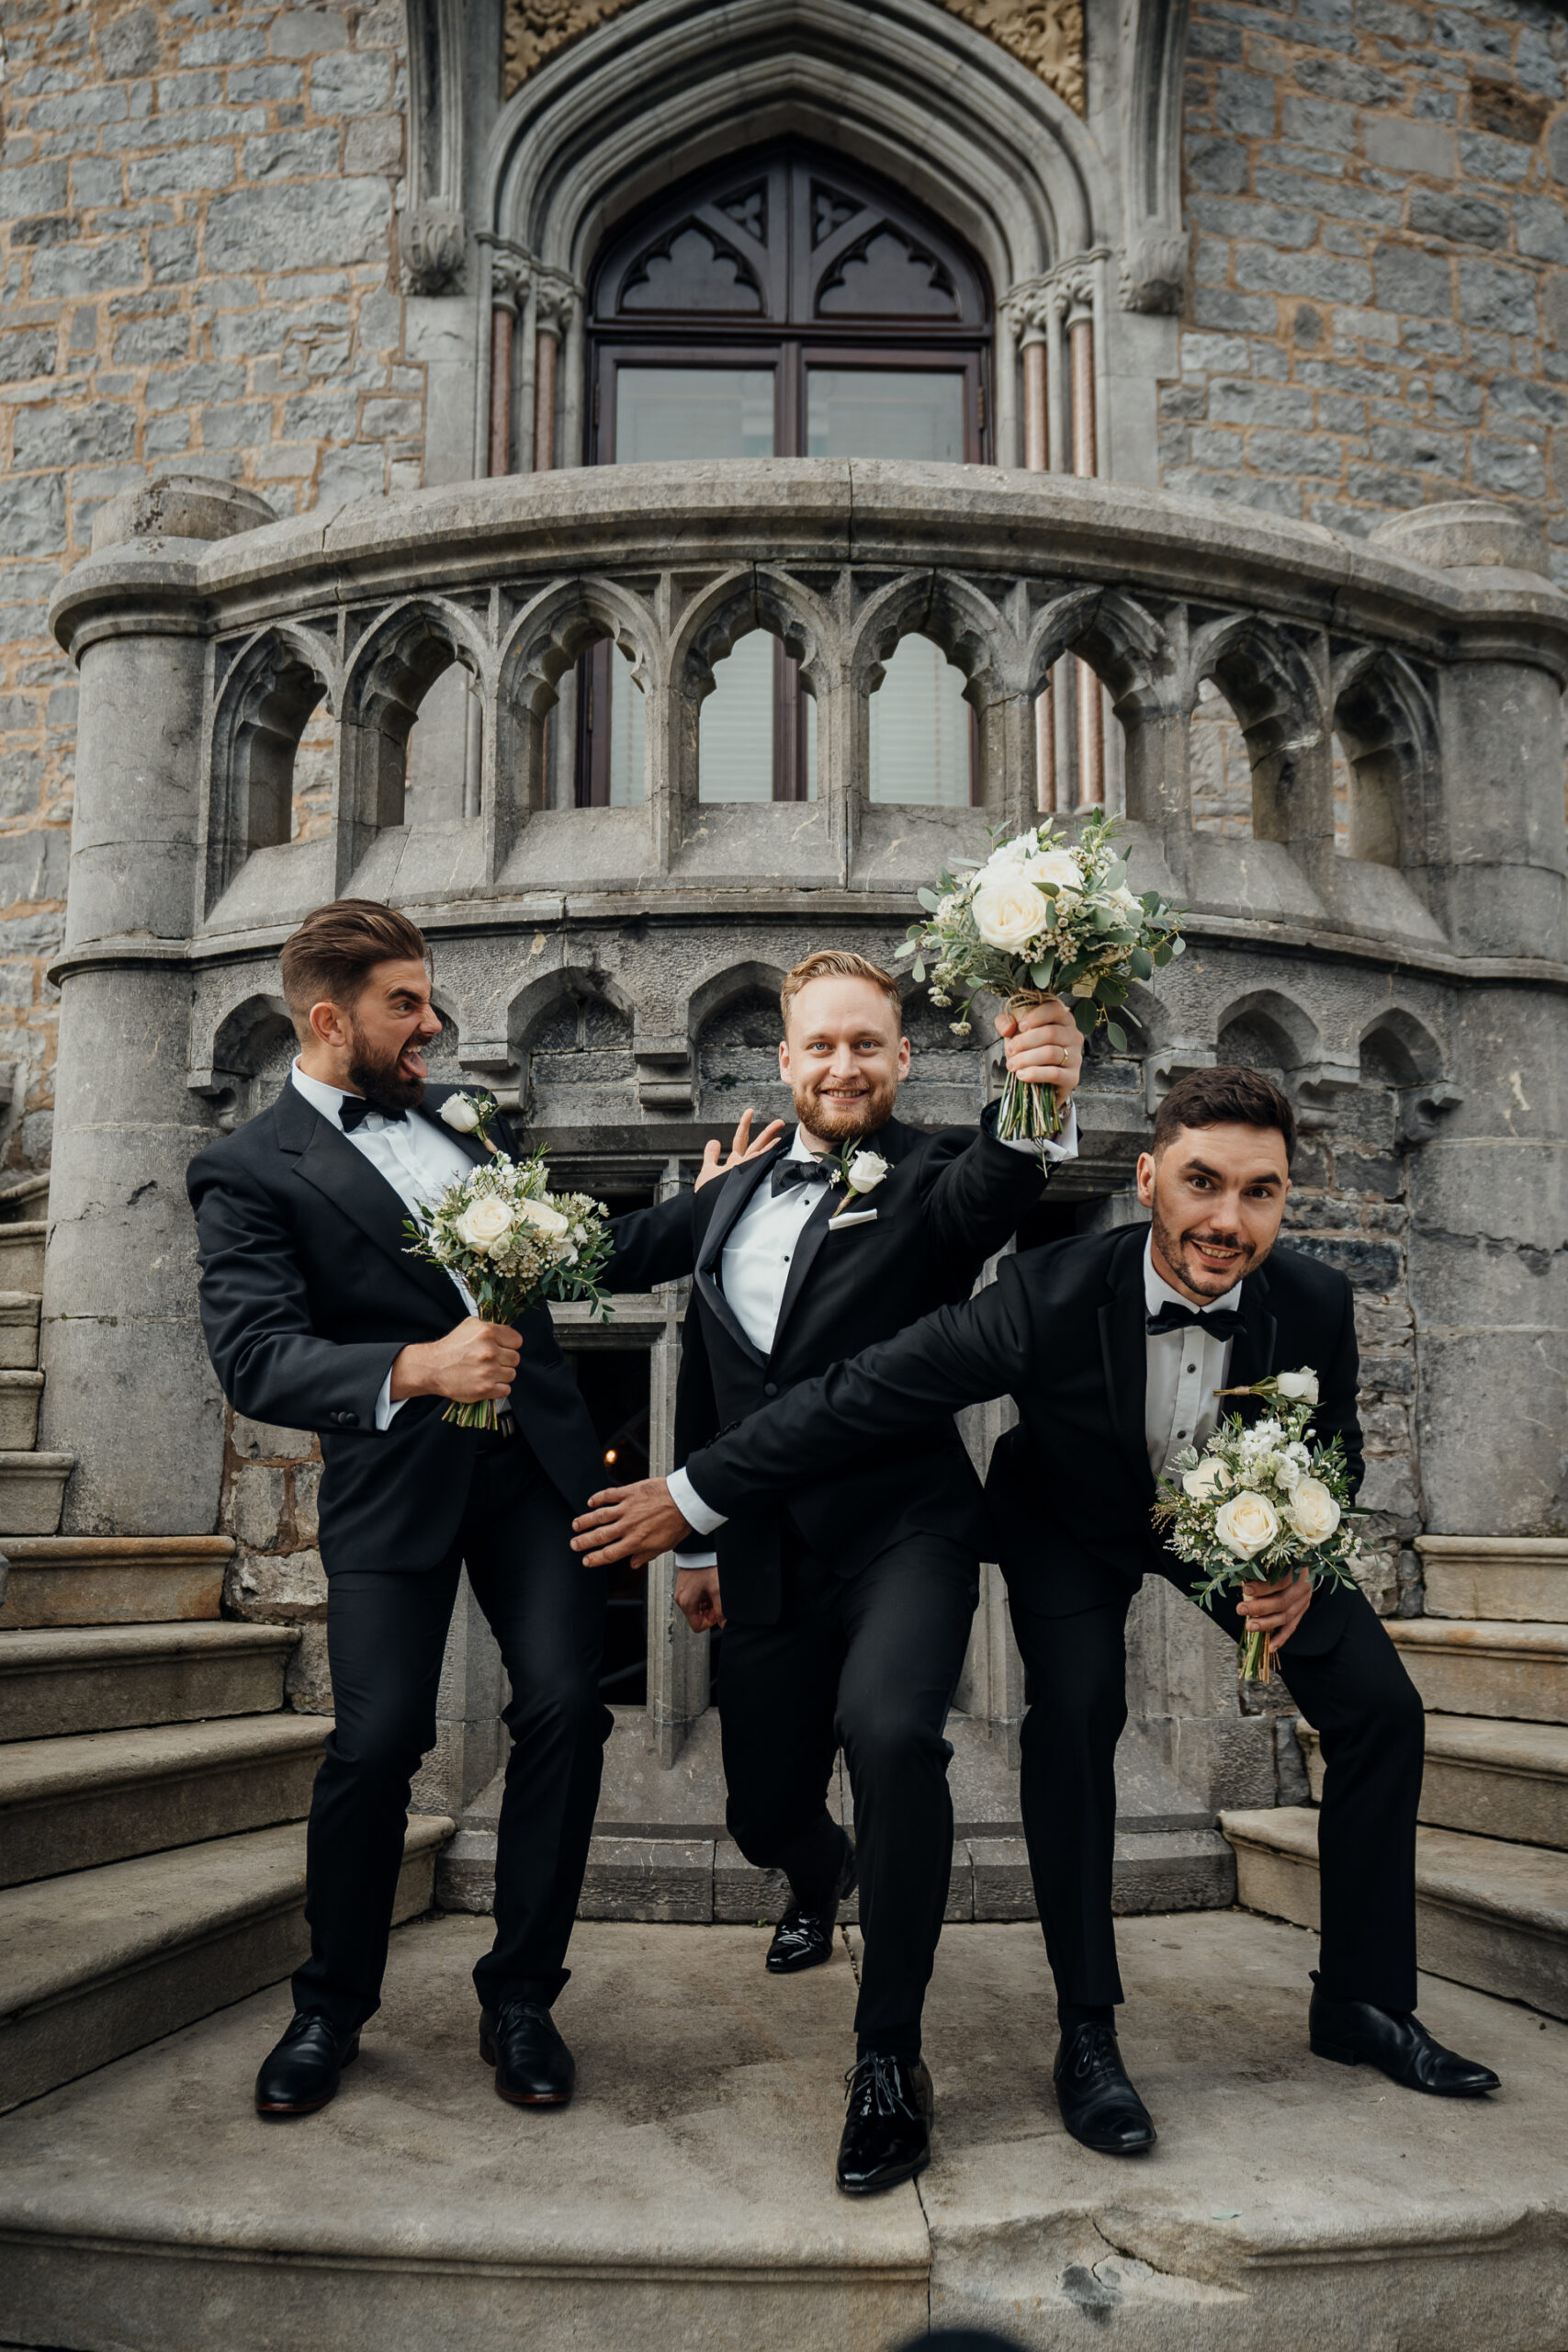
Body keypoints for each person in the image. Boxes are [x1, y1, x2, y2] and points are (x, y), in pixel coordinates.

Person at [572, 1065, 1500, 2157]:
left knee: (1381, 1710)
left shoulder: (1316, 1300)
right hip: (1069, 1521)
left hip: (1238, 1526)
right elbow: (864, 1390)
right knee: (1078, 1717)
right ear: (1149, 1176)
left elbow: (1331, 1444)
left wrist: (1302, 1548)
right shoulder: (1051, 1292)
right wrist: (693, 1495)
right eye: (1202, 1183)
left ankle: (1363, 2000)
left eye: (1261, 1192)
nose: (1227, 1219)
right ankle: (1088, 2032)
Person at [573, 947, 1084, 2196]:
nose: (842, 1065)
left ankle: (886, 2057)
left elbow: (999, 1186)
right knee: (760, 1809)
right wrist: (698, 1539)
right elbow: (698, 1356)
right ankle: (816, 1874)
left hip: (902, 1526)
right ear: (784, 1060)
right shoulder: (734, 1190)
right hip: (758, 1544)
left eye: (866, 1045)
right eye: (819, 1045)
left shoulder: (926, 1181)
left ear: (902, 1060)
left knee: (892, 1734)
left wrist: (1037, 1087)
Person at [188, 899, 705, 2119]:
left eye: (427, 998)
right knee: (375, 1745)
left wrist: (704, 1204)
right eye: (403, 1005)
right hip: (392, 1482)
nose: (432, 1022)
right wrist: (414, 1369)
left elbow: (564, 1260)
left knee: (570, 1713)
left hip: (533, 1468)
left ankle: (520, 1996)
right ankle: (329, 2006)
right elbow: (256, 1356)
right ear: (328, 1019)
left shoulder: (457, 1124)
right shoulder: (246, 1169)